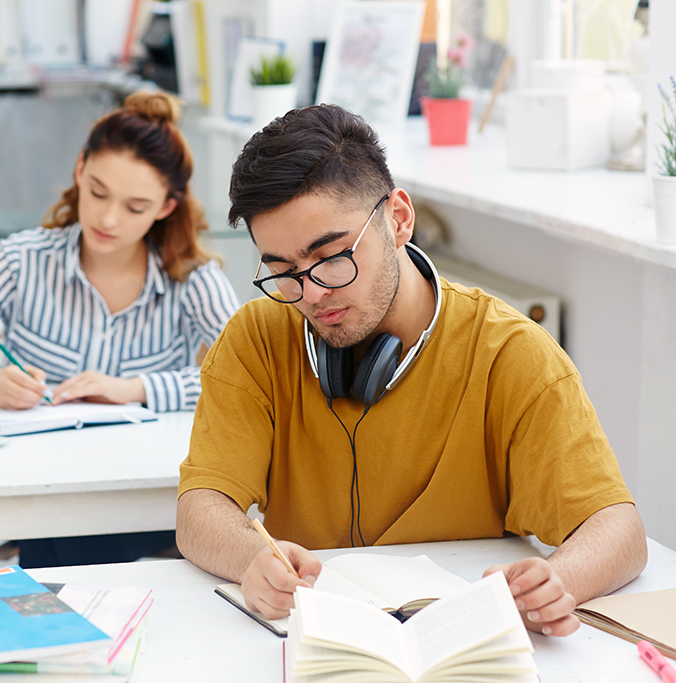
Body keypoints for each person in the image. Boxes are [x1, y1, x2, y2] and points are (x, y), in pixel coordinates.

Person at [176, 104, 647, 637]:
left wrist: (556, 581)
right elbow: (200, 509)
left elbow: (619, 530)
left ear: (398, 220)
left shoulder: (511, 354)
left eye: (332, 257)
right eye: (284, 273)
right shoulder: (255, 339)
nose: (312, 294)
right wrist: (249, 558)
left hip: (461, 644)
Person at [0, 90, 240, 567]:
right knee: (65, 545)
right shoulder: (21, 261)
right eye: (98, 192)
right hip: (42, 488)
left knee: (69, 551)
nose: (107, 218)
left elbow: (248, 379)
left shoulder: (192, 277)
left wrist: (135, 389)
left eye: (135, 206)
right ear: (79, 169)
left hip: (143, 493)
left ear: (166, 206)